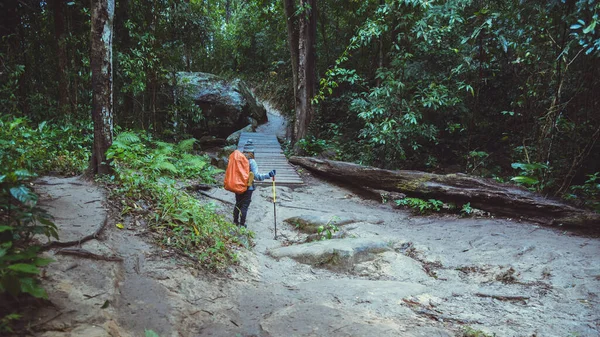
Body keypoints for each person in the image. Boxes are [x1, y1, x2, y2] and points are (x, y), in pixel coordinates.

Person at [233, 140, 276, 228]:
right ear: (252, 151)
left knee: (238, 203)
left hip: (237, 185)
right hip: (248, 187)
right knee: (244, 206)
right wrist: (268, 175)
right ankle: (242, 224)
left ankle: (235, 222)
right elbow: (256, 176)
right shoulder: (252, 161)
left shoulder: (237, 159)